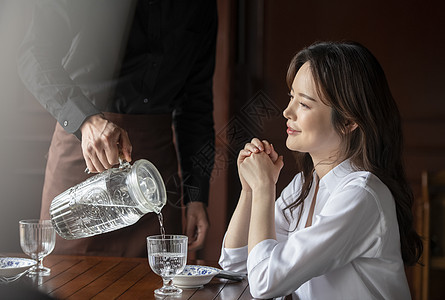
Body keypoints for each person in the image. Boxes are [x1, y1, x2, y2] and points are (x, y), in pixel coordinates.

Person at [219, 41, 423, 299]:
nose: (287, 111)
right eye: (291, 97)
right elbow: (236, 266)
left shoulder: (360, 196)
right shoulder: (305, 185)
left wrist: (263, 189)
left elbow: (264, 283)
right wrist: (250, 190)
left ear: (348, 121)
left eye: (304, 104)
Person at [18, 0, 217, 257]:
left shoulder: (202, 6)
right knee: (65, 282)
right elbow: (32, 52)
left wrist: (195, 195)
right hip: (84, 149)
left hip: (153, 173)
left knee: (153, 286)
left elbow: (196, 105)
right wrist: (86, 119)